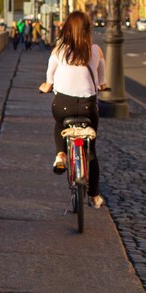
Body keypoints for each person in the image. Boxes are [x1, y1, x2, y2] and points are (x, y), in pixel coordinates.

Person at [38, 11, 108, 209]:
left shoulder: (58, 51)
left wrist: (45, 87)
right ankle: (94, 196)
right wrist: (101, 85)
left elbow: (49, 80)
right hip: (87, 107)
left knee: (59, 122)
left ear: (66, 29)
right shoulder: (96, 50)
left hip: (63, 105)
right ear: (88, 31)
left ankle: (60, 154)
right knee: (91, 151)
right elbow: (102, 81)